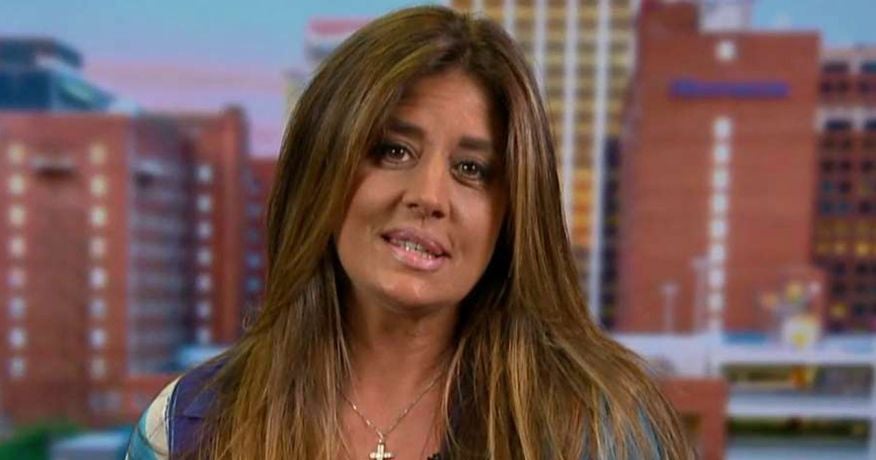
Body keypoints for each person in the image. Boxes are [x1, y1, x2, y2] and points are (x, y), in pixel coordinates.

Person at [127, 5, 692, 459]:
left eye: (471, 169)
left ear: (512, 213)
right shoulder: (188, 425)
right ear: (321, 170)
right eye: (393, 151)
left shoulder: (600, 427)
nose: (429, 196)